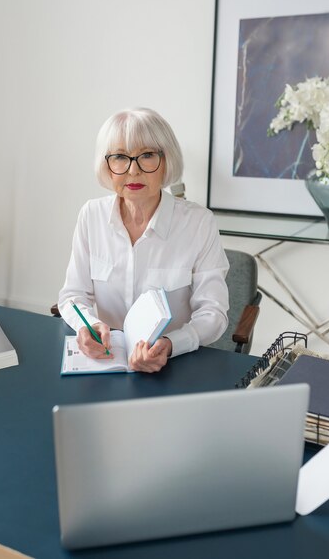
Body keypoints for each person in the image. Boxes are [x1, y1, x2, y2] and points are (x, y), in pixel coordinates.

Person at [58, 107, 229, 373]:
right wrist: (87, 325)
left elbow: (213, 314)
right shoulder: (91, 215)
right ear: (107, 165)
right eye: (119, 157)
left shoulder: (198, 222)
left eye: (147, 156)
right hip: (107, 363)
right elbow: (72, 295)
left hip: (173, 365)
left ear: (167, 160)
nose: (133, 171)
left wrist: (171, 344)